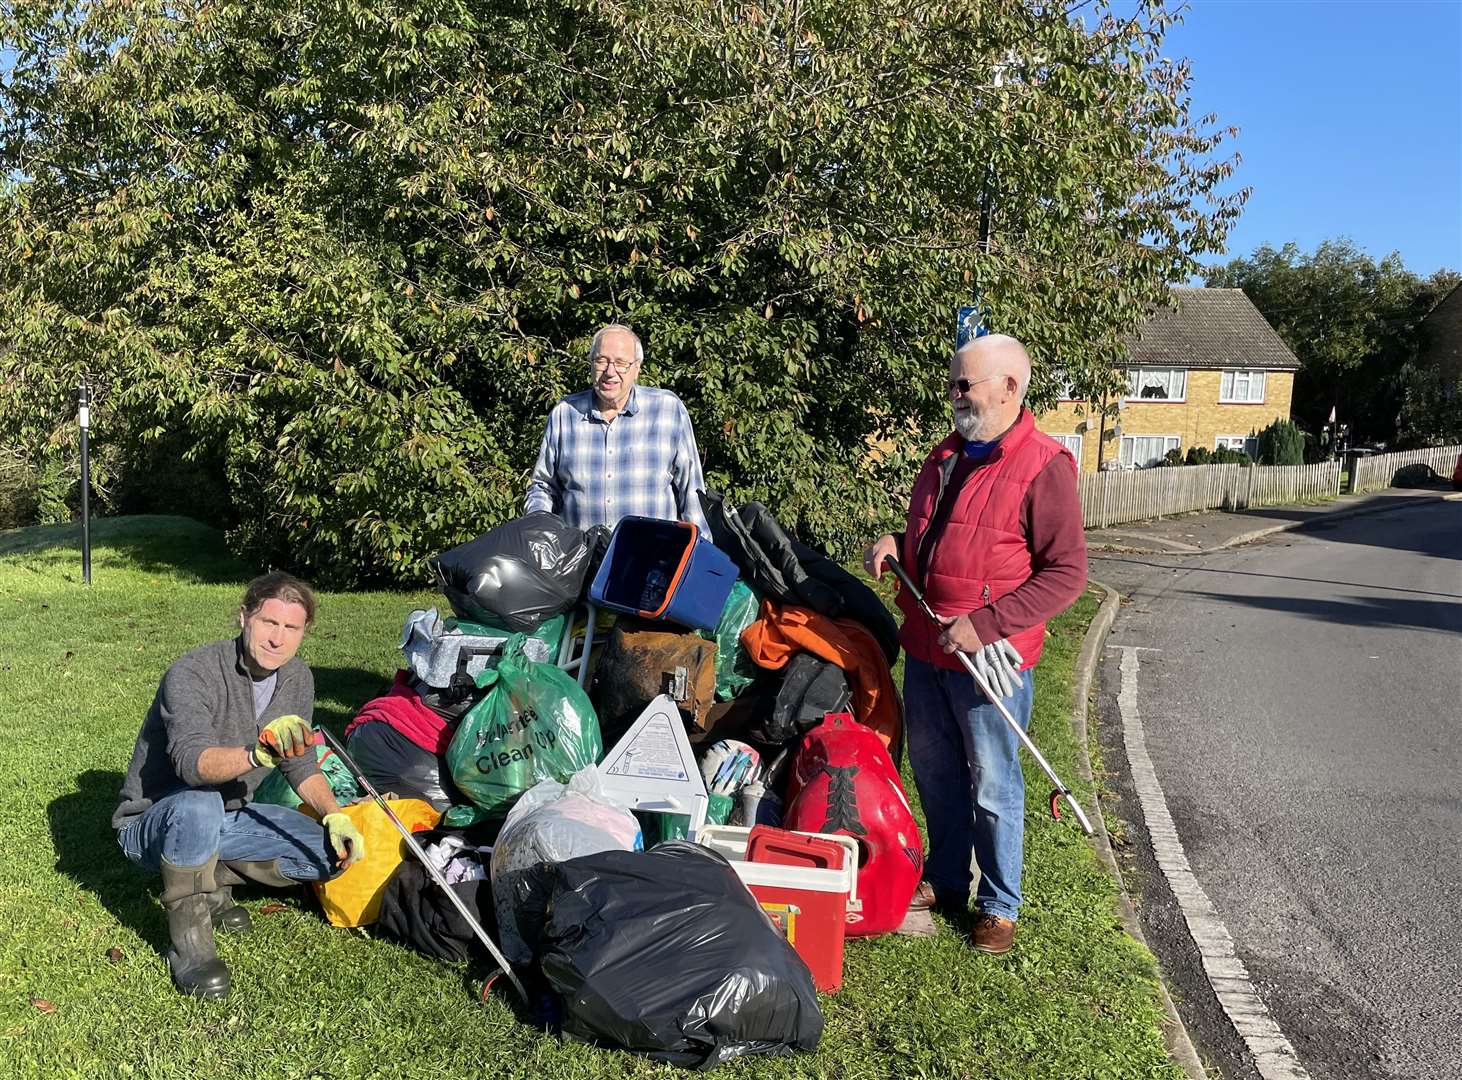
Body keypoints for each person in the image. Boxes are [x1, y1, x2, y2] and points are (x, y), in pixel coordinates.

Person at [865, 333, 1087, 955]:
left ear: (1010, 388)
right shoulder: (944, 457)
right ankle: (944, 877)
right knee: (934, 772)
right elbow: (934, 542)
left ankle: (999, 903)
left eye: (967, 384)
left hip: (988, 659)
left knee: (992, 780)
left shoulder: (1045, 466)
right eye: (953, 383)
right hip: (928, 648)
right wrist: (893, 545)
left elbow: (1068, 573)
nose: (955, 395)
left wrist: (986, 624)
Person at [113, 571, 365, 999]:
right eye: (269, 622)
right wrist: (256, 754)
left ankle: (212, 886)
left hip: (231, 816)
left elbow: (299, 761)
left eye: (291, 628)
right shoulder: (192, 673)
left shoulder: (297, 678)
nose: (277, 639)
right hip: (154, 821)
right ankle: (191, 947)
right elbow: (192, 764)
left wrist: (334, 814)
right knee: (199, 805)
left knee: (329, 852)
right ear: (244, 617)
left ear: (304, 633)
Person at [524, 323, 710, 534]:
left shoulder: (667, 410)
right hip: (582, 560)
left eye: (621, 363)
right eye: (601, 361)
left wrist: (698, 554)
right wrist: (538, 536)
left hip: (651, 559)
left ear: (637, 368)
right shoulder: (564, 414)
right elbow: (543, 487)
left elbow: (692, 492)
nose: (610, 372)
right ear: (591, 364)